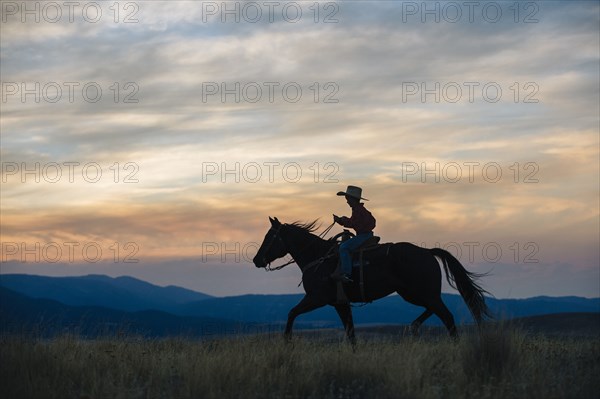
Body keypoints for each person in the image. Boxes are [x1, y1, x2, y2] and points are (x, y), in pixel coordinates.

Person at [332, 185, 376, 283]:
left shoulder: (358, 210)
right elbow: (371, 222)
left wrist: (341, 220)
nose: (347, 201)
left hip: (363, 236)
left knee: (343, 247)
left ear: (352, 199)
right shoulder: (360, 210)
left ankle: (346, 273)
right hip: (366, 235)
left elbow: (353, 223)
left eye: (347, 199)